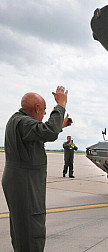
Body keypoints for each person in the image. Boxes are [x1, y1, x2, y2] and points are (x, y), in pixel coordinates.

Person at [1, 86, 72, 251]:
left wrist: (59, 125)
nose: (45, 114)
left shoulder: (18, 121)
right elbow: (48, 132)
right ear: (37, 108)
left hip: (21, 182)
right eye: (44, 110)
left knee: (23, 229)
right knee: (32, 229)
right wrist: (60, 106)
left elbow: (41, 134)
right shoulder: (23, 122)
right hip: (25, 184)